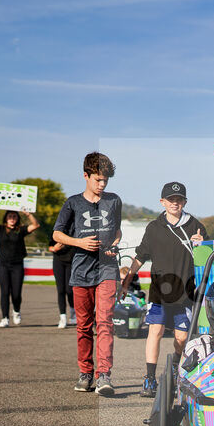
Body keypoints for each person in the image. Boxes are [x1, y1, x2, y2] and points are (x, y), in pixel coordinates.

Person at [120, 181, 207, 398]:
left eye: (178, 200)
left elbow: (207, 259)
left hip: (185, 293)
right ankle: (149, 378)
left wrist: (203, 245)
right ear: (162, 202)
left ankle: (176, 371)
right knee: (155, 331)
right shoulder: (153, 227)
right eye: (170, 200)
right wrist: (127, 280)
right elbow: (140, 257)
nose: (174, 203)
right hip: (159, 292)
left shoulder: (195, 225)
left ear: (185, 202)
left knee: (181, 337)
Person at [53, 151, 123, 395]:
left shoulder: (114, 201)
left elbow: (117, 231)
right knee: (84, 325)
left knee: (105, 322)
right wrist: (79, 243)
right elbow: (57, 234)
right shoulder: (73, 202)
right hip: (81, 270)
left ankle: (104, 375)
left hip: (107, 268)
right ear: (85, 175)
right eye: (97, 180)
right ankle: (85, 374)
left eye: (105, 181)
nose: (102, 185)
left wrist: (114, 245)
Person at [0, 200, 40, 328]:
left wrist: (28, 214)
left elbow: (35, 225)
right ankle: (5, 318)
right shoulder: (0, 229)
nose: (12, 219)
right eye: (10, 216)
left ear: (17, 219)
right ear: (6, 218)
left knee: (16, 293)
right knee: (5, 292)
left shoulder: (21, 230)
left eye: (14, 216)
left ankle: (16, 312)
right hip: (3, 265)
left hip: (17, 265)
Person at [48, 236, 75, 329]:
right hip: (58, 261)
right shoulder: (57, 231)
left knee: (69, 290)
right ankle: (62, 317)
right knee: (60, 290)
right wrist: (54, 248)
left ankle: (73, 312)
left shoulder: (74, 230)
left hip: (71, 262)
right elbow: (50, 246)